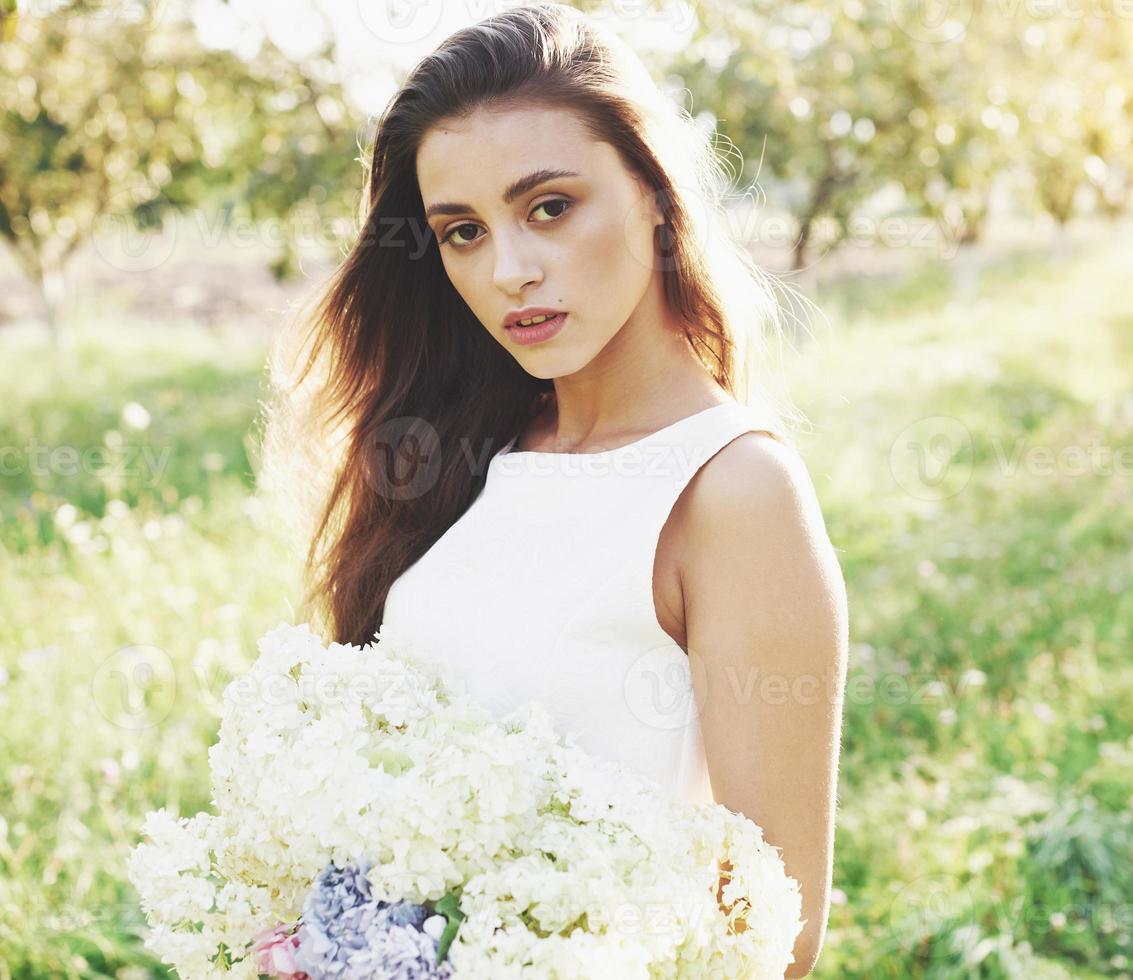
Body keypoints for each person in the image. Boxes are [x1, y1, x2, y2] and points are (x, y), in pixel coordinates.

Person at [260, 4, 847, 975]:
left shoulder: (732, 491)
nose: (510, 272)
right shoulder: (470, 447)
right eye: (461, 231)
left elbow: (773, 931)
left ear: (655, 195)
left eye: (549, 207)